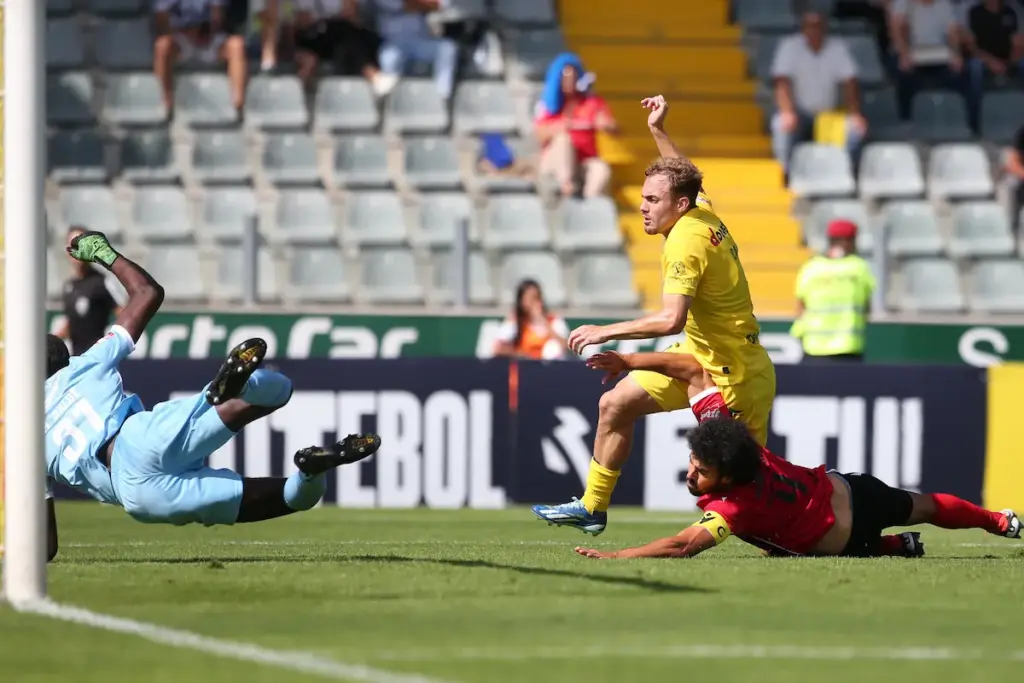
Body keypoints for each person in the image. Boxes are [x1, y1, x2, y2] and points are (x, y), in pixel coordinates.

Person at [44, 231, 381, 562]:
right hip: (139, 438)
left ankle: (310, 474)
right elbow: (147, 293)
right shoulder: (83, 365)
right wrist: (103, 252)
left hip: (136, 494)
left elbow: (45, 548)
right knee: (276, 391)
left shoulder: (17, 437)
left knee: (284, 499)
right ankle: (242, 392)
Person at [531, 95, 775, 536]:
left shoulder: (685, 243)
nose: (643, 206)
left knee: (750, 496)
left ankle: (826, 521)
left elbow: (670, 320)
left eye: (652, 199)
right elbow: (687, 179)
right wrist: (658, 131)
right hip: (697, 356)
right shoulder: (698, 210)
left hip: (733, 370)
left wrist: (605, 331)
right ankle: (592, 506)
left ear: (678, 206)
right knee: (615, 403)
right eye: (643, 197)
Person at [573, 352, 1021, 559]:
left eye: (702, 471)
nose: (691, 472)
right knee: (921, 506)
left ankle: (890, 546)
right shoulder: (741, 447)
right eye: (694, 462)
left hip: (846, 540)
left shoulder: (735, 506)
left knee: (779, 544)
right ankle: (998, 521)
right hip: (850, 488)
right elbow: (692, 368)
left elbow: (684, 544)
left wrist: (620, 556)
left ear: (726, 479)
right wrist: (629, 362)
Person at [770, 10, 867, 178]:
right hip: (799, 113)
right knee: (781, 125)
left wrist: (855, 113)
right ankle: (786, 175)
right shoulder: (790, 46)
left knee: (854, 130)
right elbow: (782, 82)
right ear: (803, 28)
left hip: (829, 114)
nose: (814, 30)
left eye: (818, 26)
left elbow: (850, 83)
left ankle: (846, 176)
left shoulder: (837, 48)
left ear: (825, 28)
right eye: (810, 26)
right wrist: (787, 112)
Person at [790, 219, 876, 363]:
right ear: (848, 241)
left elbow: (800, 309)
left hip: (814, 350)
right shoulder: (859, 268)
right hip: (849, 350)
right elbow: (867, 308)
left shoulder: (811, 268)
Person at [534, 53, 617, 198]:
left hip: (583, 162)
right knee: (563, 140)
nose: (570, 82)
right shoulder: (549, 105)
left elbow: (613, 127)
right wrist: (560, 127)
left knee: (601, 169)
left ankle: (589, 204)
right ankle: (566, 187)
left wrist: (605, 124)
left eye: (573, 77)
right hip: (555, 163)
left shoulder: (591, 103)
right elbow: (539, 134)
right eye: (566, 78)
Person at [55, 226, 123, 357]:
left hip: (98, 361)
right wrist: (53, 340)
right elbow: (73, 323)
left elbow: (123, 314)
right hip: (76, 360)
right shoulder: (69, 286)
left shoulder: (103, 282)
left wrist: (111, 344)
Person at [492, 279, 569, 361]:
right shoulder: (514, 321)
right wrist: (521, 354)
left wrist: (543, 322)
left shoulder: (554, 320)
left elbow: (565, 346)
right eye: (527, 299)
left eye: (535, 298)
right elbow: (498, 348)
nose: (532, 303)